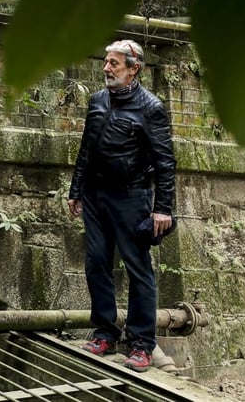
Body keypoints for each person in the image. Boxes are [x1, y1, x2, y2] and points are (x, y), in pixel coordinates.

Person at [66, 39, 176, 372]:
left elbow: (165, 162)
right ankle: (105, 333)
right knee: (96, 263)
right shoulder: (98, 100)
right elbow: (86, 148)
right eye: (106, 62)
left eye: (114, 63)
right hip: (95, 196)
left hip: (132, 197)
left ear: (134, 68)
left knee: (138, 269)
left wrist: (163, 208)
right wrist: (75, 189)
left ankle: (142, 344)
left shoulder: (151, 107)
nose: (106, 68)